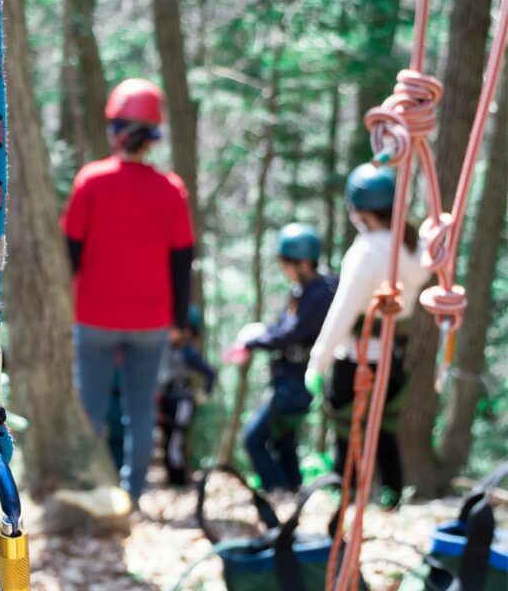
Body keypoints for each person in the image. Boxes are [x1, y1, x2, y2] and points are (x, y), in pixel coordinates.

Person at [60, 78, 195, 504]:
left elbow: (71, 252)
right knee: (139, 411)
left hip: (94, 316)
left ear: (115, 129)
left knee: (91, 410)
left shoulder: (91, 181)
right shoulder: (170, 189)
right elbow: (182, 261)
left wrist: (66, 306)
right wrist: (178, 320)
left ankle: (94, 490)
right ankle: (132, 496)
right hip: (151, 321)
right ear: (152, 137)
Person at [307, 164, 426, 509]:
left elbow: (343, 313)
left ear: (358, 210)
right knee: (385, 427)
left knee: (347, 429)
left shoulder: (367, 252)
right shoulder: (412, 247)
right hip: (394, 356)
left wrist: (319, 361)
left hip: (357, 357)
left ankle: (349, 497)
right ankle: (390, 495)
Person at [229, 223, 335, 493]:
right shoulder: (303, 289)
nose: (284, 269)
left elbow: (292, 333)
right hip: (288, 376)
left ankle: (275, 493)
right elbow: (281, 326)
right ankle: (291, 492)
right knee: (283, 440)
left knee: (253, 439)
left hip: (297, 381)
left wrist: (254, 340)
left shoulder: (321, 293)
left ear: (302, 263)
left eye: (286, 263)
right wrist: (258, 334)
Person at [156, 305, 216, 486]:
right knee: (167, 440)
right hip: (166, 400)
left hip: (182, 401)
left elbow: (210, 373)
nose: (170, 331)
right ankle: (171, 478)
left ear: (187, 331)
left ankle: (179, 480)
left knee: (176, 441)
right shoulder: (166, 349)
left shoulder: (188, 353)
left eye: (175, 327)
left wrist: (204, 394)